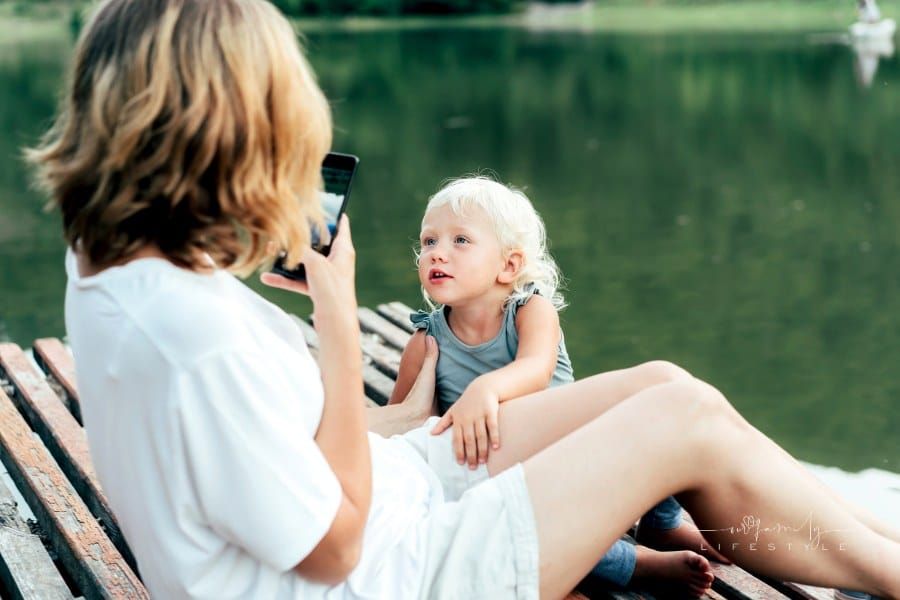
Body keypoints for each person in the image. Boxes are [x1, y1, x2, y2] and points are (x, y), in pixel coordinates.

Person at [26, 0, 900, 598]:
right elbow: (333, 550)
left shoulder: (110, 256)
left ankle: (881, 548)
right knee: (684, 425)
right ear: (225, 123)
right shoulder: (190, 333)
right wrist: (336, 315)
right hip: (401, 569)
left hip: (400, 494)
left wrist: (237, 236)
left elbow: (257, 449)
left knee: (664, 383)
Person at [387, 176, 722, 595]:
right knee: (531, 533)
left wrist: (485, 389)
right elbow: (400, 422)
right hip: (499, 481)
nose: (438, 252)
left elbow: (536, 369)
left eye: (460, 241)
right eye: (429, 240)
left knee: (663, 409)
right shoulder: (425, 341)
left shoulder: (529, 311)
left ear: (508, 265)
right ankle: (635, 565)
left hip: (576, 457)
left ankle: (663, 523)